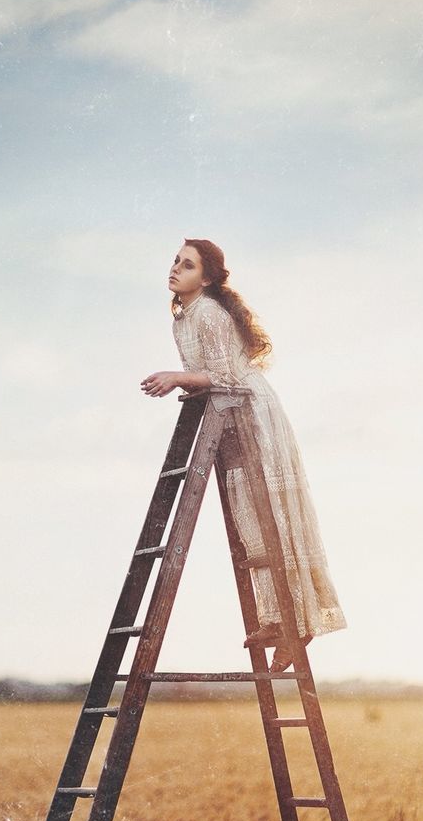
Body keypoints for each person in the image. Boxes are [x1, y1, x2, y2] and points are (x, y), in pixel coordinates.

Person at [140, 239, 347, 673]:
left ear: (208, 278)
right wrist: (185, 381)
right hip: (225, 418)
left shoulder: (211, 314)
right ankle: (276, 619)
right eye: (176, 261)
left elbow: (228, 375)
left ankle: (297, 623)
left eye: (188, 265)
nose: (175, 269)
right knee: (248, 520)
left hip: (251, 415)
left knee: (271, 515)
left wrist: (178, 377)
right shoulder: (183, 318)